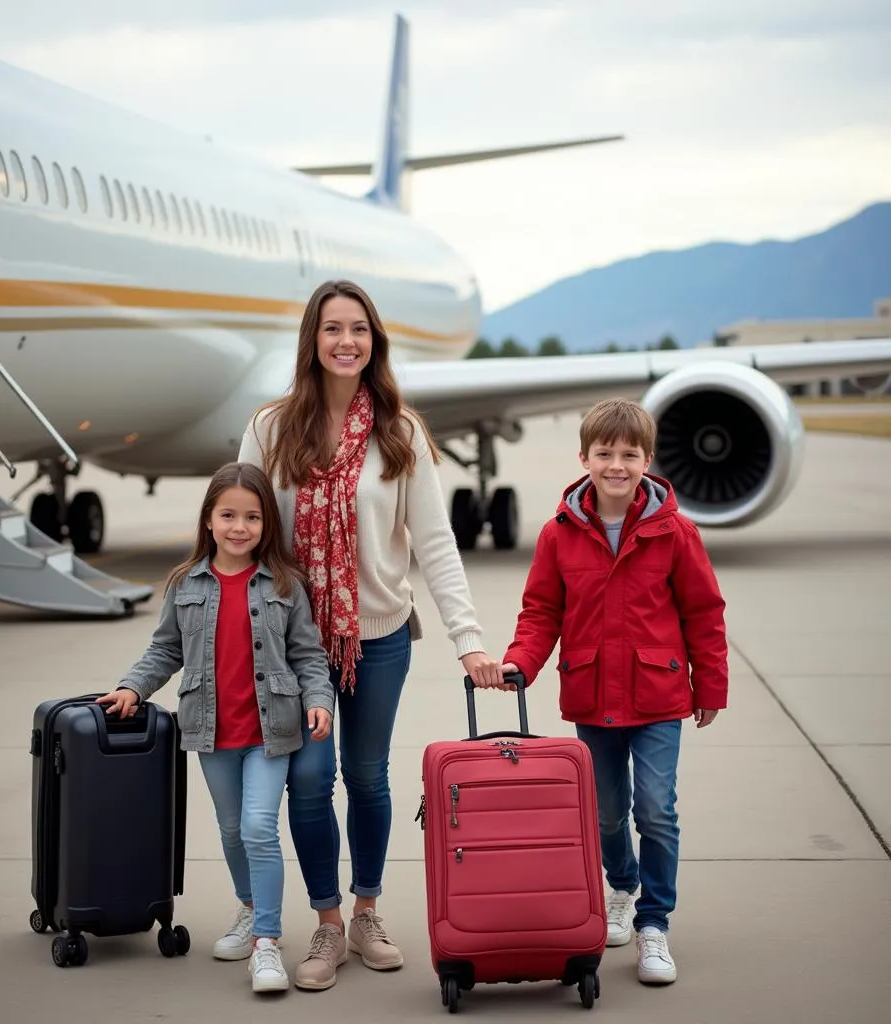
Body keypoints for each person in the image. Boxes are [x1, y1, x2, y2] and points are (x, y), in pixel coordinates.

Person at [238, 278, 502, 991]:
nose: (346, 341)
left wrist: (468, 639)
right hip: (297, 641)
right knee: (311, 781)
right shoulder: (269, 429)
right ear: (312, 340)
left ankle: (366, 911)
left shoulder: (399, 432)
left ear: (374, 340)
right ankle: (326, 924)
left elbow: (436, 544)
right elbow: (242, 532)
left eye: (358, 328)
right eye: (332, 329)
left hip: (380, 636)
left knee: (368, 777)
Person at [496, 397, 727, 986]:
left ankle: (655, 923)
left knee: (656, 808)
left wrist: (711, 685)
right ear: (585, 458)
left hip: (659, 696)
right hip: (592, 694)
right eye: (605, 453)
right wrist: (521, 661)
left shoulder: (676, 533)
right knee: (603, 814)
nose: (616, 465)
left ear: (648, 460)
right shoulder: (558, 533)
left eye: (629, 454)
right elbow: (542, 610)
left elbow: (703, 612)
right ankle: (621, 887)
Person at [96, 462, 335, 995]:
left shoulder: (284, 583)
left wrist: (320, 702)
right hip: (209, 731)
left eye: (252, 517)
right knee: (231, 832)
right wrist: (133, 687)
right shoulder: (186, 583)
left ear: (266, 525)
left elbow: (309, 655)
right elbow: (165, 649)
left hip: (271, 731)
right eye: (228, 515)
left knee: (257, 829)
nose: (239, 527)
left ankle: (267, 944)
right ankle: (250, 909)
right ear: (208, 519)